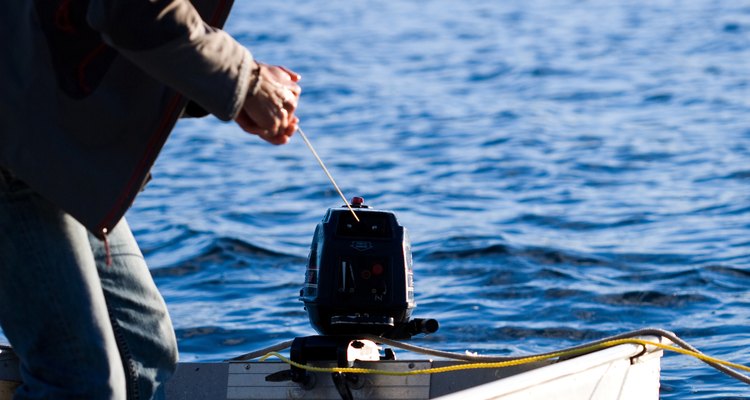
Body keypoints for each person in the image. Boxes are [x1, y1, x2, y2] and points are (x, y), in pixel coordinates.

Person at [0, 0, 300, 398]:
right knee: (78, 380)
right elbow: (133, 11)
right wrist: (245, 81)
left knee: (142, 351)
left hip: (51, 139)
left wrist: (233, 89)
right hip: (16, 142)